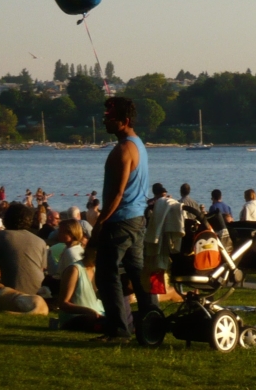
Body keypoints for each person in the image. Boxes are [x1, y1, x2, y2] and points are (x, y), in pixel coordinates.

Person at [93, 96, 157, 342]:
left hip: (120, 221)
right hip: (137, 219)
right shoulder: (137, 144)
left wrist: (100, 223)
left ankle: (118, 329)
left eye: (110, 119)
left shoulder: (124, 149)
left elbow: (117, 193)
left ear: (125, 121)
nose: (105, 122)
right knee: (139, 274)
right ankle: (153, 323)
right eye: (105, 117)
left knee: (106, 275)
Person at [0, 203, 48, 296]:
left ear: (6, 218)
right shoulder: (40, 241)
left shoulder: (0, 236)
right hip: (39, 294)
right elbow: (40, 270)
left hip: (11, 293)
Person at [57, 244, 107, 332]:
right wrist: (87, 311)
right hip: (77, 317)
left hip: (99, 315)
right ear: (89, 251)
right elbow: (63, 303)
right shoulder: (74, 270)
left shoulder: (96, 269)